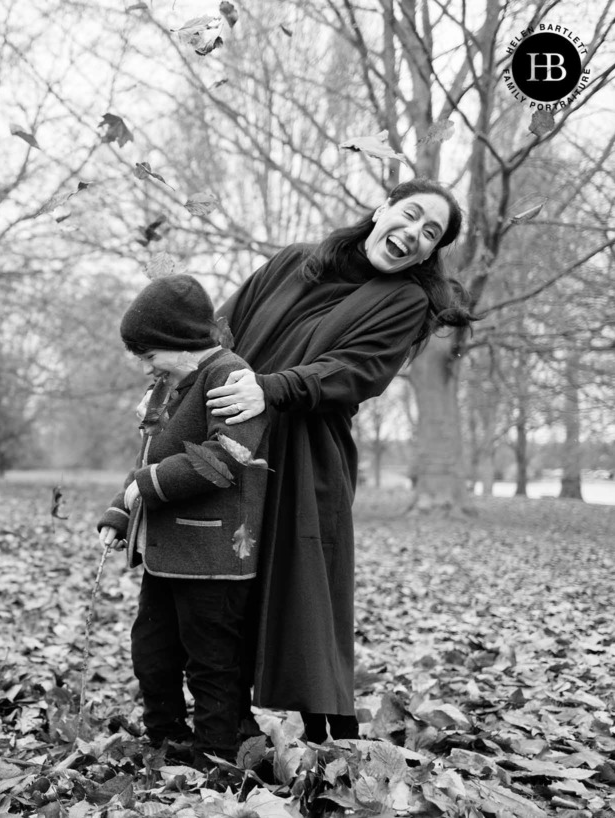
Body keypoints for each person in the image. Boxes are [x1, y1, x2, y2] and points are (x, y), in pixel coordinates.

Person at [203, 179, 473, 742]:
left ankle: (333, 736)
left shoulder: (405, 302)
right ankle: (222, 725)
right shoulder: (294, 262)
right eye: (412, 215)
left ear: (430, 253)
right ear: (384, 209)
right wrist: (169, 381)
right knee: (220, 583)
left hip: (308, 459)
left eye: (431, 234)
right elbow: (218, 333)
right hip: (229, 444)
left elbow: (353, 371)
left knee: (308, 591)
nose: (414, 235)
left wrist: (270, 388)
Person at [96, 274, 270, 766]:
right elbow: (151, 454)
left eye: (148, 353)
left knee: (212, 661)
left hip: (212, 554)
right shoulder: (170, 384)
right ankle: (165, 736)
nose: (143, 363)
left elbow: (228, 454)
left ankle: (216, 752)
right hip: (165, 555)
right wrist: (120, 507)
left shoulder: (228, 375)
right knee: (152, 652)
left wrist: (146, 487)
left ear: (179, 342)